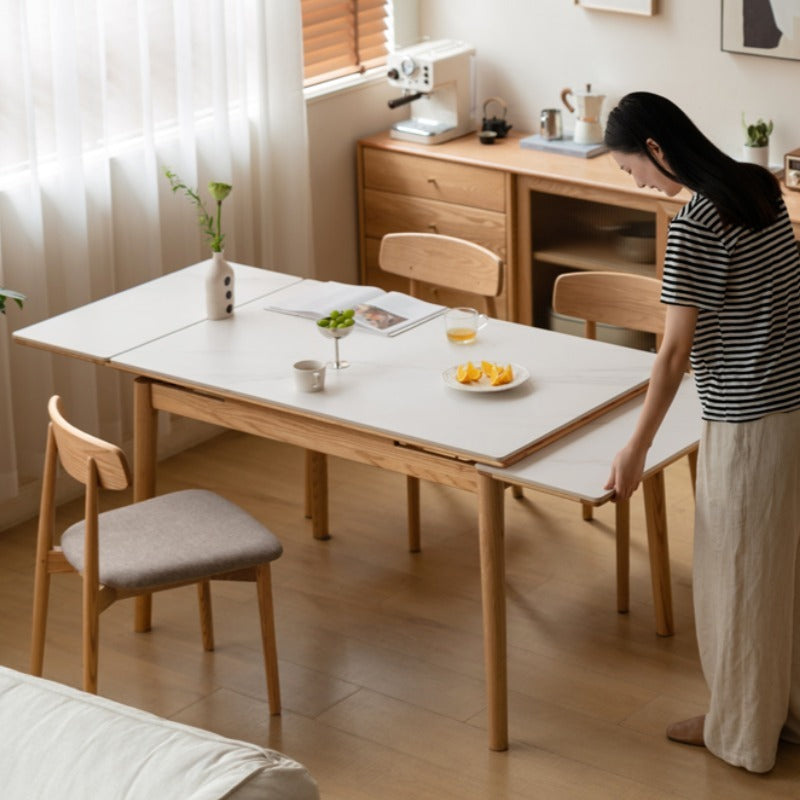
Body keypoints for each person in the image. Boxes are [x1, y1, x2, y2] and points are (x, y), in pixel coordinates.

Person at [602, 92, 800, 774]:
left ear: (657, 147)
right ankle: (787, 711)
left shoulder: (693, 222)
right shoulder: (759, 187)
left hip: (748, 423)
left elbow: (673, 352)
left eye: (635, 170)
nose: (640, 184)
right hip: (795, 406)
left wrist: (637, 447)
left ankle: (741, 732)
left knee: (737, 580)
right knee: (784, 574)